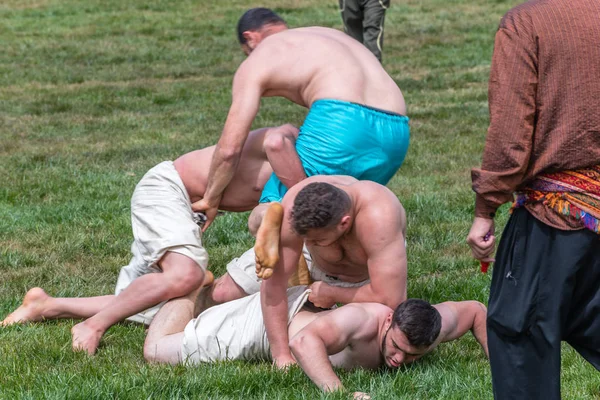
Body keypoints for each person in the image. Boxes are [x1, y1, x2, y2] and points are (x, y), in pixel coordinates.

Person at [0, 125, 299, 355]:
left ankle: (45, 305)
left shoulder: (315, 179)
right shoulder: (289, 140)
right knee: (187, 275)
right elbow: (266, 139)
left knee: (152, 304)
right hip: (168, 188)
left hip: (187, 209)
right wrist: (212, 197)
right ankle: (92, 326)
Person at [466, 1, 600, 398]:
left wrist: (485, 207)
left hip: (557, 216)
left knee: (519, 331)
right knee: (585, 312)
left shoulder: (527, 23)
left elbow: (511, 135)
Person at [193, 8, 410, 234]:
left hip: (342, 124)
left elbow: (229, 149)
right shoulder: (325, 34)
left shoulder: (259, 58)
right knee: (344, 209)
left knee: (272, 211)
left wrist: (210, 198)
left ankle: (283, 246)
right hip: (398, 130)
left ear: (250, 38)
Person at [144, 283, 488, 397]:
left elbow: (475, 310)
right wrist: (339, 393)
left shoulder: (432, 327)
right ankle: (185, 291)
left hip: (298, 314)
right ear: (389, 319)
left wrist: (495, 360)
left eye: (412, 355)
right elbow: (304, 343)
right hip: (268, 327)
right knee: (156, 351)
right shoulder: (363, 320)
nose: (399, 360)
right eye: (395, 347)